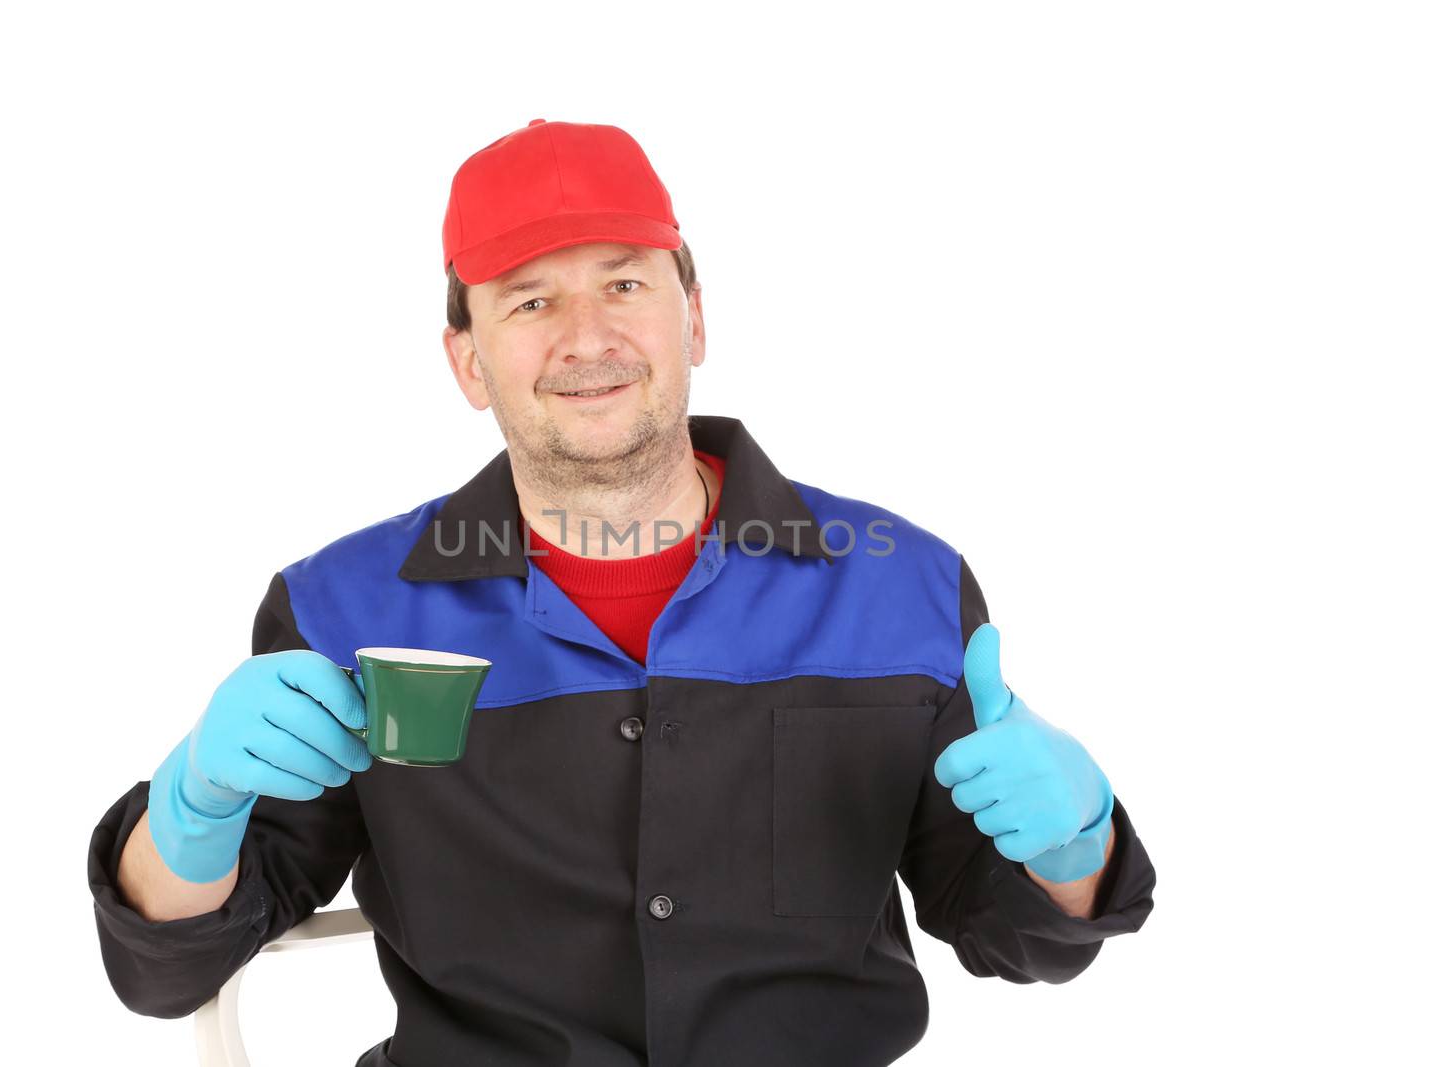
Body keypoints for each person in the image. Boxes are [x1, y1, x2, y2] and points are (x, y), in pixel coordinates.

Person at [87, 118, 1156, 1067]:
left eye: (625, 282)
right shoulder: (344, 609)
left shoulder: (899, 583)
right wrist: (194, 806)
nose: (586, 336)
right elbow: (168, 970)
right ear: (467, 360)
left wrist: (1076, 846)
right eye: (531, 299)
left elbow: (1020, 936)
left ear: (693, 318)